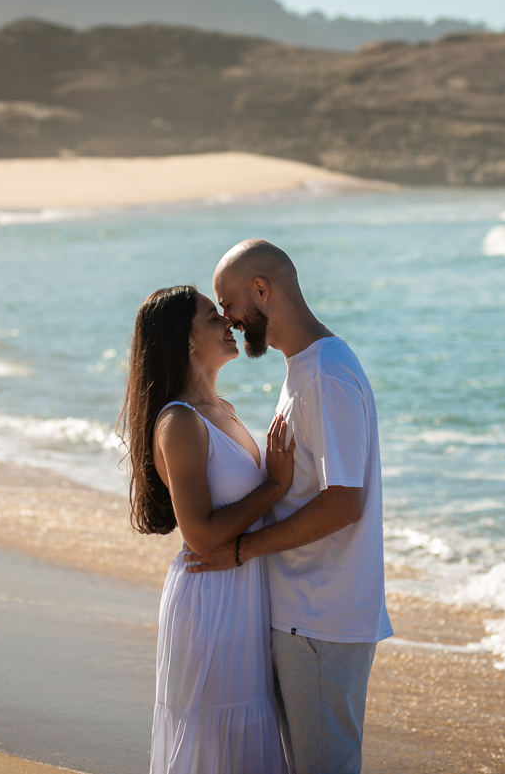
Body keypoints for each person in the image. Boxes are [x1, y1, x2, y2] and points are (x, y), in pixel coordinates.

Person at [185, 240, 393, 774]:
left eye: (228, 303)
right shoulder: (304, 369)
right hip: (306, 615)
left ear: (262, 290)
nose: (227, 319)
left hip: (321, 617)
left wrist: (242, 550)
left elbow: (345, 503)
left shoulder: (324, 372)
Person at [119, 284, 294, 774]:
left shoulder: (226, 410)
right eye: (213, 318)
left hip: (241, 592)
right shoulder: (178, 422)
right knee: (215, 740)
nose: (229, 323)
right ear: (188, 341)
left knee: (243, 737)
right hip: (209, 601)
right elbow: (199, 533)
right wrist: (275, 485)